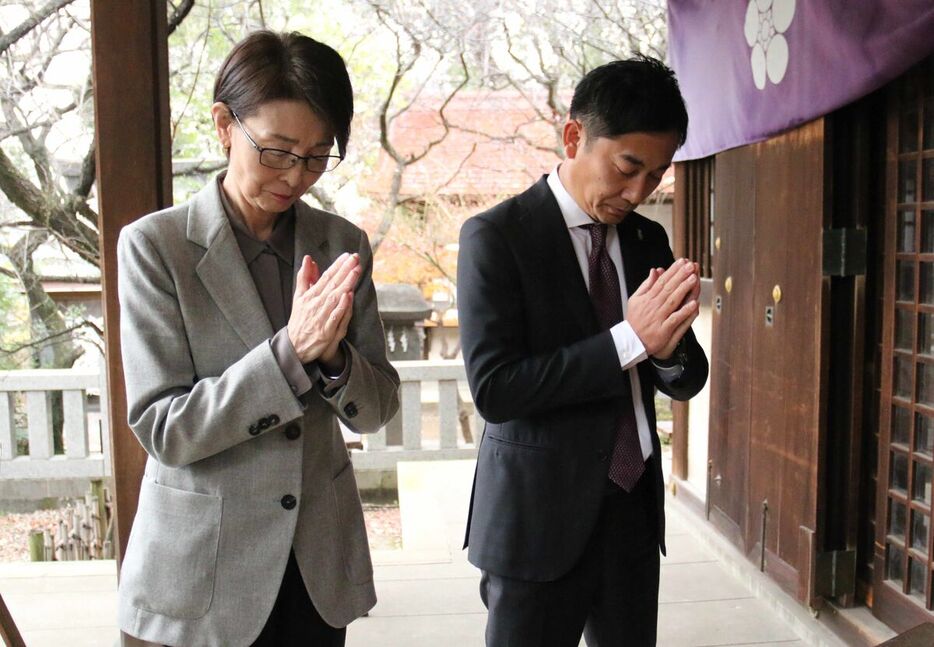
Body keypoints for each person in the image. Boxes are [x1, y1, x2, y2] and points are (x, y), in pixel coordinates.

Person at [115, 31, 399, 646]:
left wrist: (334, 361)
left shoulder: (342, 244)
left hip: (315, 572)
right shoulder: (154, 247)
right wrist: (289, 354)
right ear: (223, 125)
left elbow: (376, 409)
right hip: (202, 575)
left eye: (317, 155)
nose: (296, 175)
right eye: (276, 151)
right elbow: (167, 428)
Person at [457, 55, 709, 647]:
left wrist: (668, 353)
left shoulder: (648, 238)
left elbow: (684, 373)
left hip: (631, 511)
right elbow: (496, 389)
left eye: (656, 175)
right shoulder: (497, 236)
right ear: (574, 136)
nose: (637, 191)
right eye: (627, 167)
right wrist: (631, 340)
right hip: (537, 518)